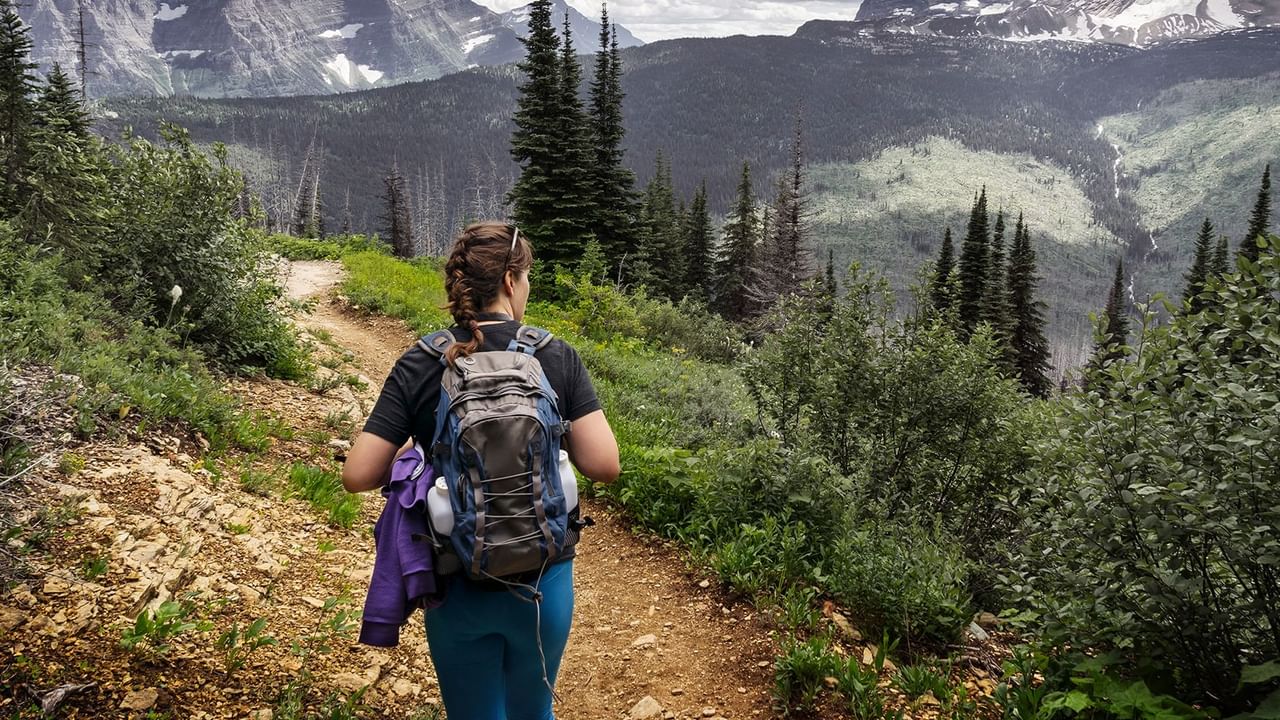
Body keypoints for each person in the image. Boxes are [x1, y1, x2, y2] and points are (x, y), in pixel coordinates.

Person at [342, 220, 620, 720]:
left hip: (457, 578)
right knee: (533, 710)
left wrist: (417, 446)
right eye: (527, 277)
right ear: (511, 282)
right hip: (543, 579)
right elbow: (604, 465)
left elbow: (358, 474)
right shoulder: (553, 354)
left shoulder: (423, 361)